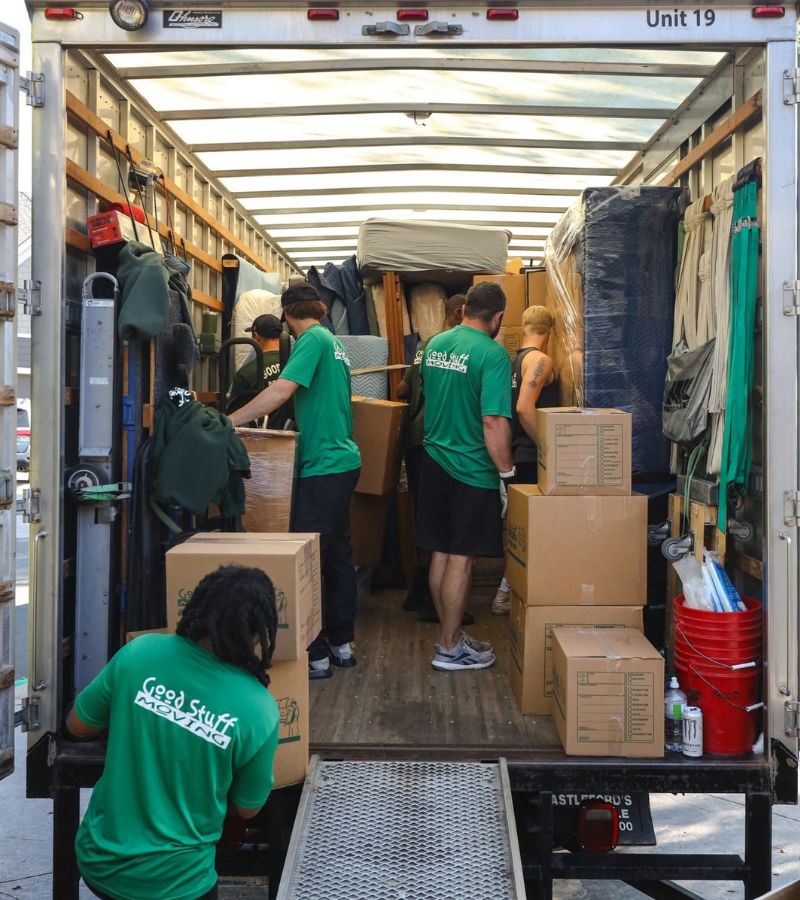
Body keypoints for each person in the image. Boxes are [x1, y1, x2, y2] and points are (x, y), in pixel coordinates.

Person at [67, 566, 280, 900]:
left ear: (196, 608)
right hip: (180, 884)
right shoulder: (258, 708)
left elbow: (78, 725)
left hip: (100, 864)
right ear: (257, 634)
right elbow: (248, 808)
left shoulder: (140, 652)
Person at [228, 282, 361, 680]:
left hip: (323, 465)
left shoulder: (311, 340)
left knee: (307, 560)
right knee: (336, 556)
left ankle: (316, 654)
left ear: (287, 314)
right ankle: (341, 644)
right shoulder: (333, 341)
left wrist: (229, 421)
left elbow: (282, 391)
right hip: (341, 461)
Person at [416, 281, 514, 671]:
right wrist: (506, 472)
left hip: (433, 462)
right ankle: (449, 647)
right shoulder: (492, 354)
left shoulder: (435, 345)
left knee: (441, 552)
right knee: (462, 559)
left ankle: (451, 637)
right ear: (497, 317)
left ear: (464, 309)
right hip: (471, 470)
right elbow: (492, 420)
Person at [396, 293, 465, 623]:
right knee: (438, 520)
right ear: (459, 313)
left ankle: (417, 593)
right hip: (437, 439)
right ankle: (429, 600)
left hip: (414, 438)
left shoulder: (426, 346)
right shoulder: (458, 346)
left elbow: (401, 391)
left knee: (424, 515)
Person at [492, 305, 558, 615]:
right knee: (535, 532)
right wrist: (550, 449)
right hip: (532, 458)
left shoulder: (512, 362)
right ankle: (507, 593)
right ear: (552, 331)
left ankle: (510, 593)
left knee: (521, 529)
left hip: (516, 456)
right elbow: (523, 408)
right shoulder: (541, 360)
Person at [228, 313, 291, 430]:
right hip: (296, 436)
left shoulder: (246, 373)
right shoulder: (296, 365)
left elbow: (233, 412)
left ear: (256, 336)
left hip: (262, 439)